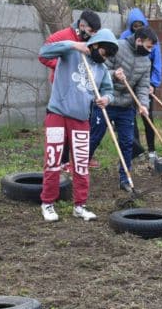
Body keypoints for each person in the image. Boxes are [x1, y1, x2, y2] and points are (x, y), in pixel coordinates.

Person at [37, 28, 119, 222]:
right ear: (96, 45)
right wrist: (74, 45)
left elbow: (109, 90)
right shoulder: (71, 53)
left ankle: (80, 206)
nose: (105, 58)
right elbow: (43, 53)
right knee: (53, 160)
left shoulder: (101, 70)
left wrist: (106, 99)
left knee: (81, 164)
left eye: (108, 56)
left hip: (81, 119)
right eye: (104, 52)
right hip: (57, 114)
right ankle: (47, 203)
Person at [90, 26, 158, 192]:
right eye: (148, 47)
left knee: (127, 142)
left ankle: (125, 179)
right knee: (94, 138)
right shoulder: (117, 47)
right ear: (138, 41)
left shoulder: (146, 61)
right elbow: (99, 69)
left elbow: (142, 86)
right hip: (106, 101)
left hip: (127, 106)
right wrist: (113, 74)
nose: (150, 51)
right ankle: (78, 169)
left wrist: (143, 105)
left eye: (152, 48)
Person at [118, 8, 162, 161]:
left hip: (146, 81)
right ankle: (135, 150)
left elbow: (157, 62)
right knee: (130, 118)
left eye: (140, 25)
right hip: (129, 82)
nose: (138, 28)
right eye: (134, 26)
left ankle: (152, 150)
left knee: (147, 115)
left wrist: (153, 83)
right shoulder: (124, 38)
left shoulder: (151, 38)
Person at [39, 10, 101, 85]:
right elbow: (43, 56)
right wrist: (65, 66)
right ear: (81, 26)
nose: (93, 35)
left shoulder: (93, 40)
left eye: (95, 32)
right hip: (62, 85)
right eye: (91, 31)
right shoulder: (63, 36)